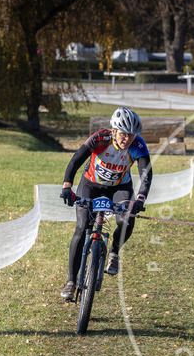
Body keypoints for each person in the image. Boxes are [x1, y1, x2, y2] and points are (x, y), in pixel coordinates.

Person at [58, 106, 152, 301]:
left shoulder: (138, 145)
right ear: (114, 131)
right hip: (90, 185)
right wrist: (67, 186)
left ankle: (114, 253)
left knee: (126, 220)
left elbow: (146, 173)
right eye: (124, 134)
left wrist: (140, 199)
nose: (127, 139)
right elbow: (75, 160)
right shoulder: (100, 139)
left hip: (119, 187)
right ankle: (70, 281)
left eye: (132, 135)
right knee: (82, 227)